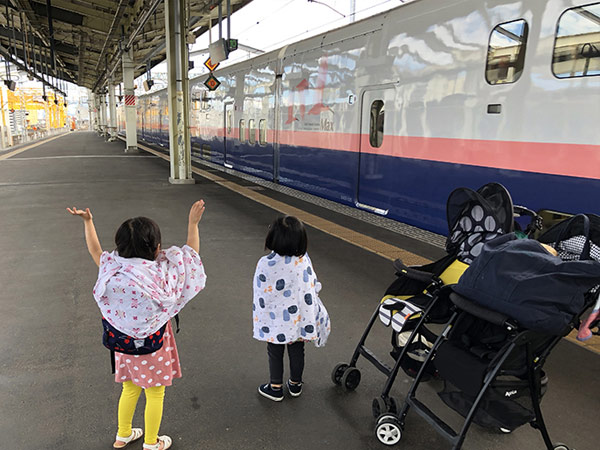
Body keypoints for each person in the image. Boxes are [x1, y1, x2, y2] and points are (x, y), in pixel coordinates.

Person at [67, 200, 207, 450]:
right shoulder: (163, 275)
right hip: (154, 345)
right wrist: (192, 223)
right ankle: (152, 442)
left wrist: (88, 222)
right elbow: (191, 259)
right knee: (155, 393)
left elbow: (96, 252)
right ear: (157, 248)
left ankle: (123, 434)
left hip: (123, 343)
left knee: (129, 389)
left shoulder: (112, 269)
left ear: (119, 247)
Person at [253, 215, 330, 401]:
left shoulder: (265, 264)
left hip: (275, 320)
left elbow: (261, 292)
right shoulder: (303, 261)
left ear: (273, 238)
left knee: (275, 351)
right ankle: (295, 384)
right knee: (297, 350)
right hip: (298, 320)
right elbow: (313, 285)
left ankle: (275, 387)